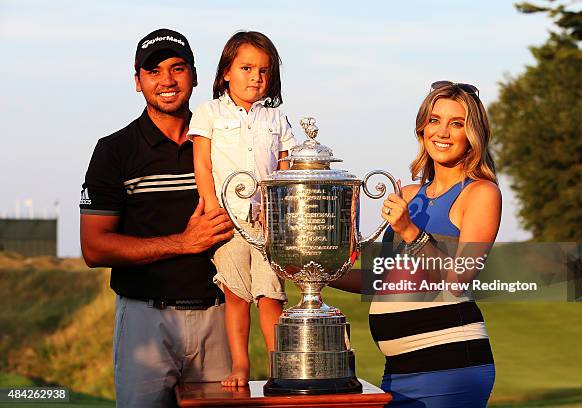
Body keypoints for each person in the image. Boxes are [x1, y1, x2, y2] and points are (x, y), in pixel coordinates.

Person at [79, 28, 235, 407]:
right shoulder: (114, 151)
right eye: (153, 71)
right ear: (138, 82)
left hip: (220, 317)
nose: (166, 80)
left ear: (195, 76)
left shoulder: (227, 141)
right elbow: (95, 248)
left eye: (177, 68)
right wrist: (184, 242)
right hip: (146, 322)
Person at [335, 81, 501, 407]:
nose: (443, 131)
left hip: (451, 367)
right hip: (398, 370)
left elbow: (458, 279)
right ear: (422, 128)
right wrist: (313, 273)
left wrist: (410, 231)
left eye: (457, 123)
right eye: (435, 120)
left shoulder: (481, 193)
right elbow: (380, 281)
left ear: (473, 135)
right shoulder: (410, 195)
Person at [187, 31, 297, 387]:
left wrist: (278, 209)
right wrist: (212, 207)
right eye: (247, 68)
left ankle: (279, 368)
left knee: (270, 298)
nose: (256, 77)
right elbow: (202, 164)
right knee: (236, 297)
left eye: (264, 70)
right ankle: (240, 368)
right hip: (228, 219)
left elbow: (286, 167)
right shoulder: (210, 114)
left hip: (267, 224)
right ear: (225, 73)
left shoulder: (276, 119)